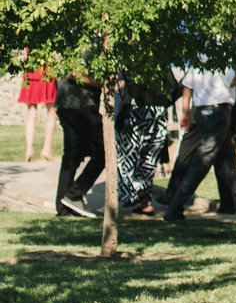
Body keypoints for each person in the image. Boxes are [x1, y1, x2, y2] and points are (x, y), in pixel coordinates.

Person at [160, 64, 236, 225]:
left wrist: (185, 112)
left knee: (228, 163)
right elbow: (232, 81)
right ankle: (173, 210)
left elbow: (187, 86)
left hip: (202, 111)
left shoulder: (200, 56)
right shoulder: (223, 56)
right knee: (200, 163)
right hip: (218, 112)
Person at [116, 79, 174, 214]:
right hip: (158, 112)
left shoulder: (135, 66)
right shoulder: (160, 65)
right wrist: (164, 102)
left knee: (129, 157)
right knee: (148, 159)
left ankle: (138, 195)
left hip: (138, 111)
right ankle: (144, 199)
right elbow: (174, 86)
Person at [55, 74, 105, 217]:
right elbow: (73, 73)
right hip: (80, 104)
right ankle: (74, 194)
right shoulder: (86, 51)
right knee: (104, 151)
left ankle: (63, 207)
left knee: (72, 156)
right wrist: (101, 84)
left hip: (69, 102)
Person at [18, 65, 56, 162]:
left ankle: (29, 149)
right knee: (51, 111)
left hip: (31, 72)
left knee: (31, 112)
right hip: (48, 71)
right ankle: (46, 149)